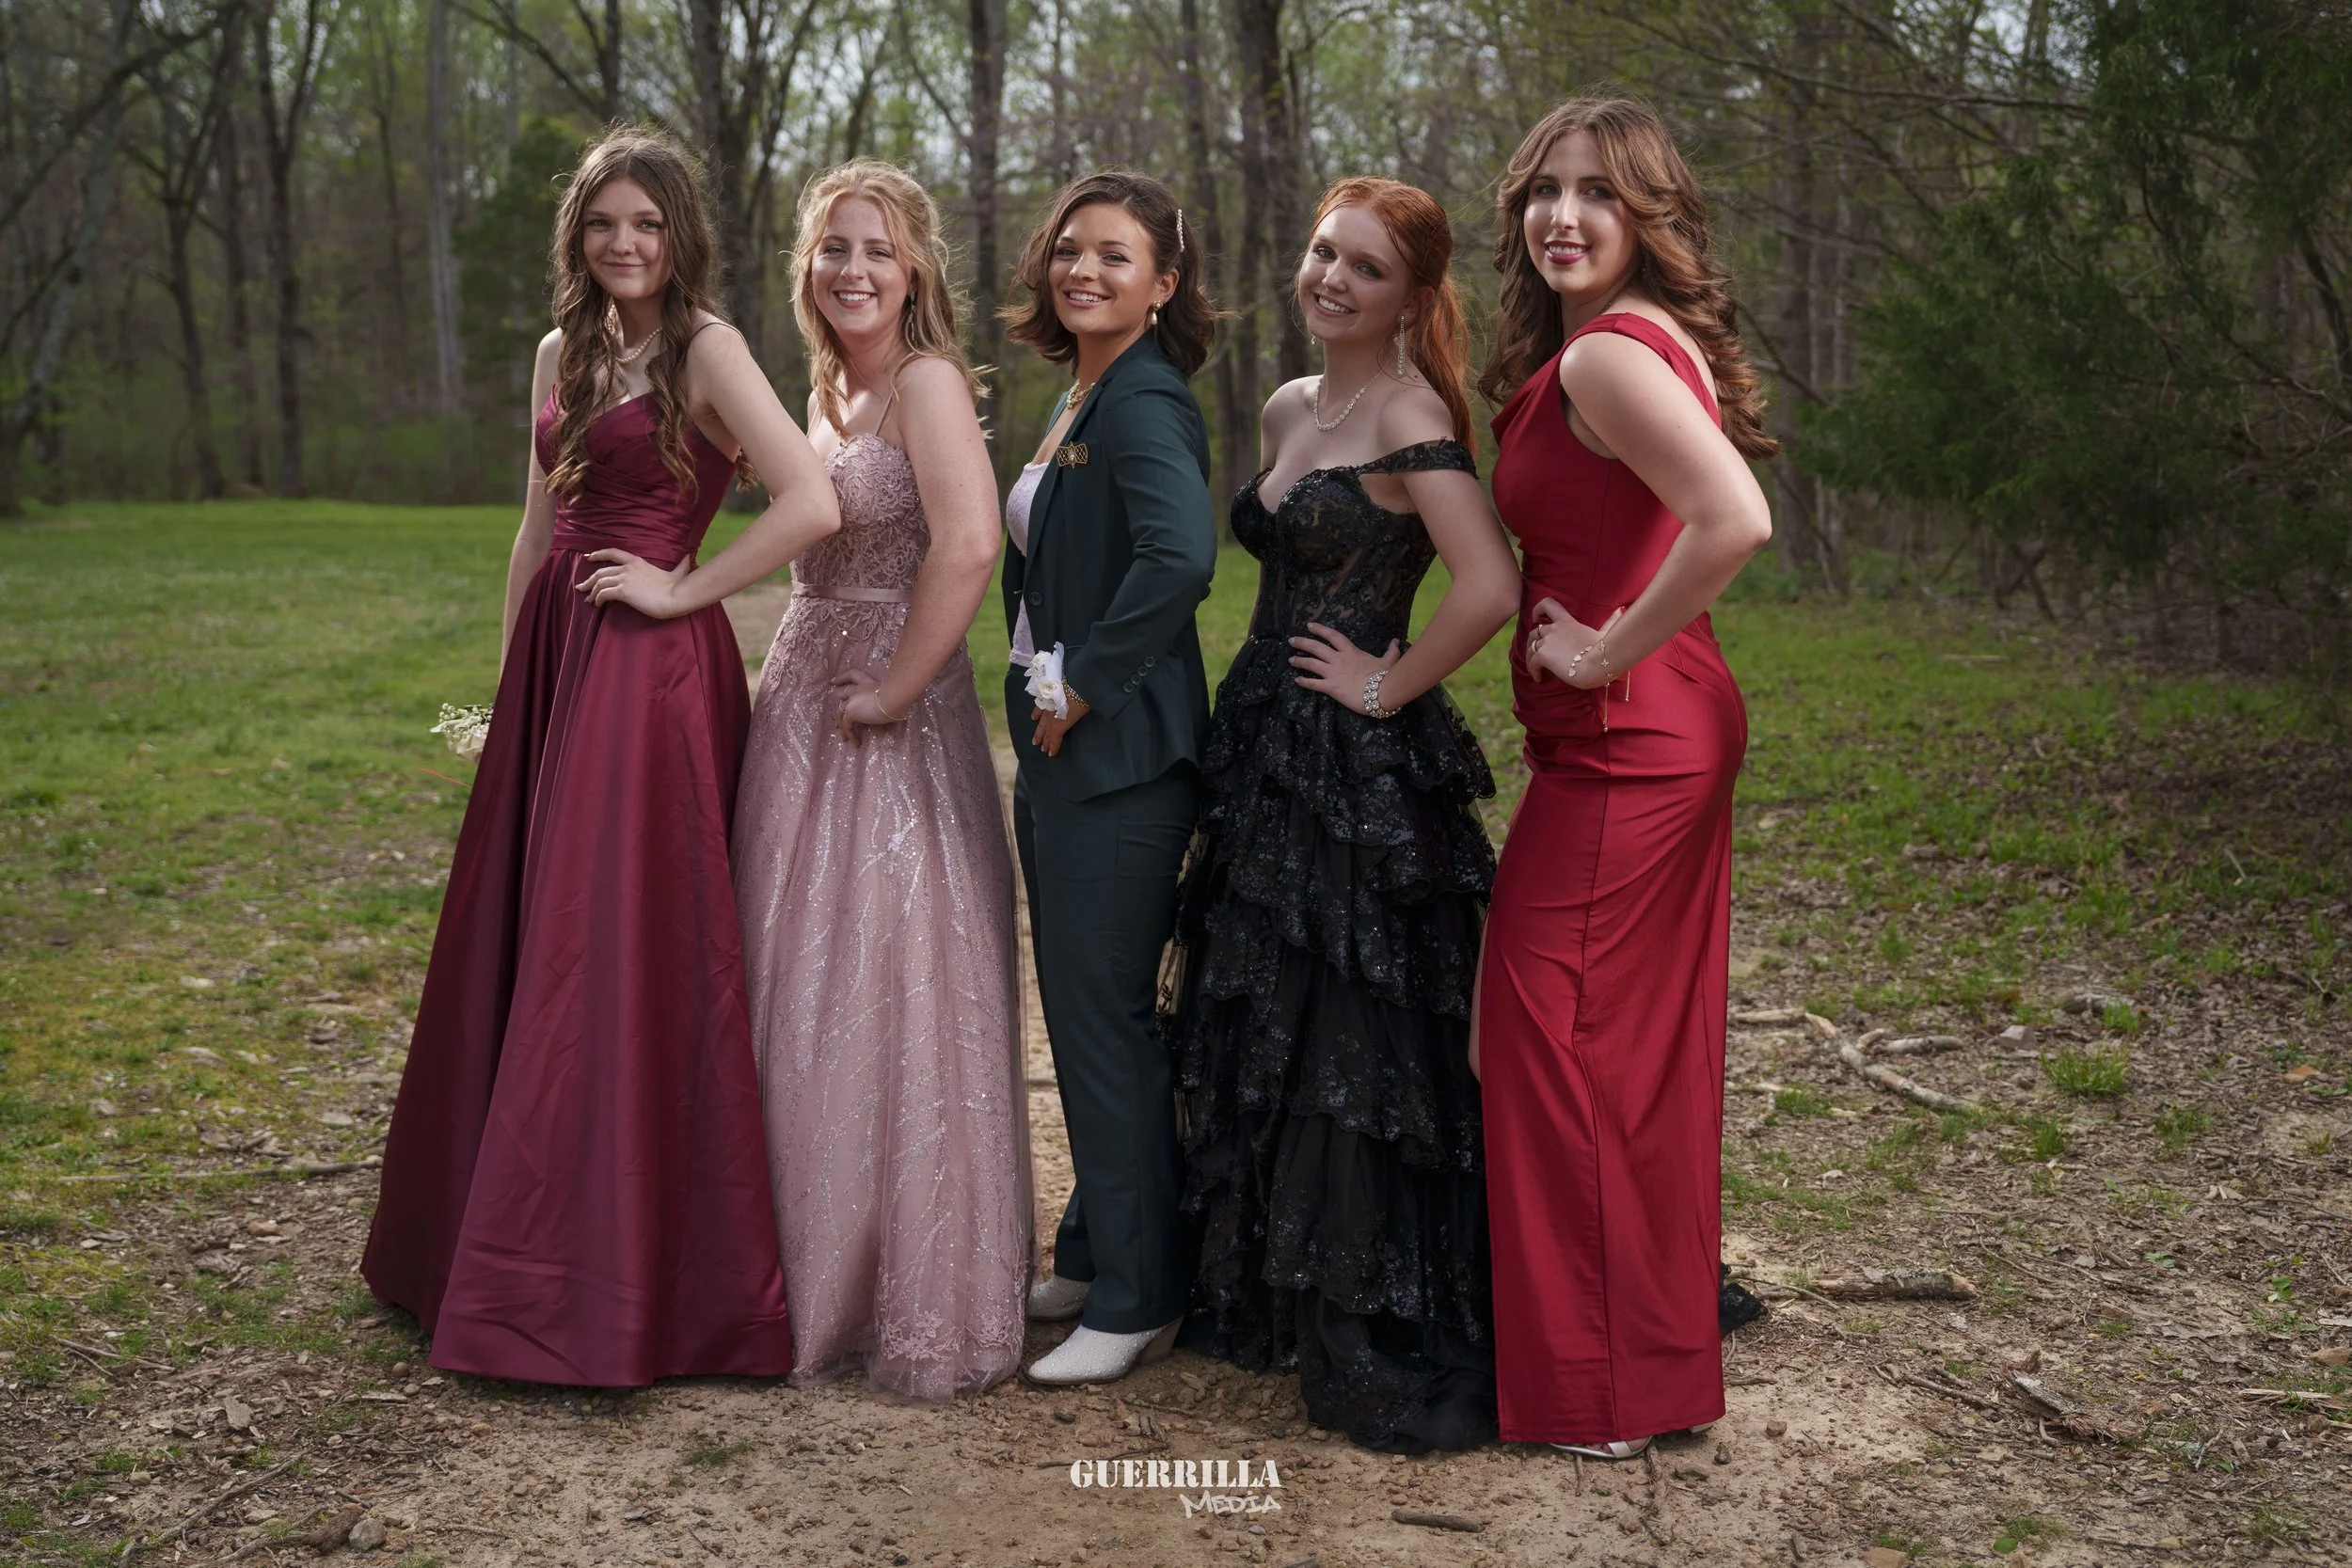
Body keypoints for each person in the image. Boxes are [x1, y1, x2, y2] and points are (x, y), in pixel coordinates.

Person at [363, 126, 839, 1386]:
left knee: (610, 944)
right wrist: (509, 681)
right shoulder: (558, 351)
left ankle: (611, 1274)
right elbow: (536, 530)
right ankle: (477, 1239)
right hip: (557, 665)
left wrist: (690, 592)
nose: (623, 243)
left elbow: (809, 500)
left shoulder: (709, 350)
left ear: (680, 233)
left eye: (645, 223)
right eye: (601, 224)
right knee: (529, 927)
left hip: (649, 672)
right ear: (579, 237)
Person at [1163, 178, 1520, 1452]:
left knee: (1347, 1033)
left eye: (1365, 267)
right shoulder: (1288, 404)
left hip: (1353, 755)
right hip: (1260, 730)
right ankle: (1262, 1273)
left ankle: (1355, 1295)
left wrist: (1385, 681)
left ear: (1413, 296)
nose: (1331, 278)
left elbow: (1487, 583)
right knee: (1260, 1001)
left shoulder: (1414, 413)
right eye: (1322, 251)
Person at [1474, 97, 1777, 1458]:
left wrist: (1603, 648)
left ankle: (1604, 1390)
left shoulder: (1607, 359)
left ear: (1647, 215)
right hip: (1652, 733)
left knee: (1551, 1045)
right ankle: (1640, 1364)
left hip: (1628, 746)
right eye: (1547, 189)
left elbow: (1736, 518)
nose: (1564, 215)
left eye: (1599, 192)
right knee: (1624, 1060)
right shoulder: (1624, 345)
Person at [730, 160, 1029, 1401]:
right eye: (833, 249)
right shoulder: (823, 385)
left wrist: (898, 688)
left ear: (916, 269)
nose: (854, 270)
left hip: (888, 717)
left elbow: (968, 545)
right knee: (792, 976)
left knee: (893, 976)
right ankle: (783, 1267)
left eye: (878, 250)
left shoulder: (926, 383)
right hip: (802, 699)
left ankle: (899, 1282)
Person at [997, 169, 1221, 1386]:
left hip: (1122, 763)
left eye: (1117, 256)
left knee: (1103, 1022)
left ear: (1164, 284)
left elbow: (1182, 555)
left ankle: (1138, 1294)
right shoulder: (1080, 389)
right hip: (1071, 757)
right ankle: (1092, 1249)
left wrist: (1083, 681)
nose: (1085, 270)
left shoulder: (1141, 397)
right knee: (1089, 1015)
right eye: (1071, 251)